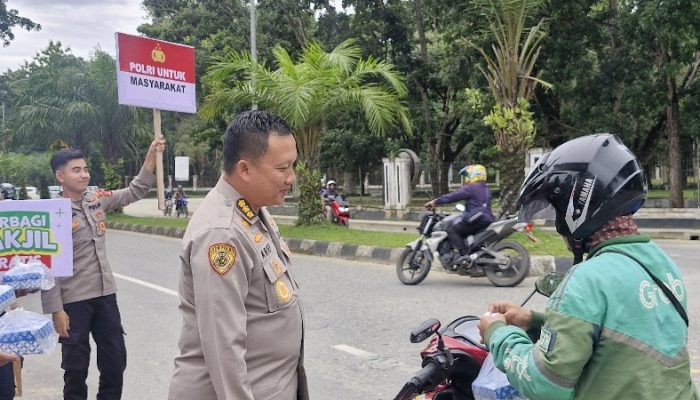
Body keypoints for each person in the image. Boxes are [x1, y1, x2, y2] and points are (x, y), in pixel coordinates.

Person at [478, 134, 698, 399]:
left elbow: (546, 383)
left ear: (578, 205)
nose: (559, 224)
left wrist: (497, 334)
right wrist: (533, 321)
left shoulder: (587, 279)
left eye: (557, 209)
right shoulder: (662, 263)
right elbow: (616, 334)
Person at [168, 110, 308, 400]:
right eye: (282, 168)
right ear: (245, 169)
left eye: (292, 165)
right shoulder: (222, 234)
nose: (291, 177)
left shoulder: (252, 210)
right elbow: (224, 349)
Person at [41, 137, 165, 400]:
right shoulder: (53, 214)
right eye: (77, 170)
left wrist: (150, 154)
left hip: (105, 295)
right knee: (75, 367)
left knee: (115, 360)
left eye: (85, 169)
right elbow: (47, 266)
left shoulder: (96, 200)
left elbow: (135, 191)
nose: (84, 174)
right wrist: (56, 310)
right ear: (60, 176)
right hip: (74, 302)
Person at [424, 164, 495, 262]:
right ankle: (472, 254)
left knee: (451, 229)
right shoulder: (486, 189)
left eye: (468, 175)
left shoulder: (472, 187)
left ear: (475, 175)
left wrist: (435, 201)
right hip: (487, 219)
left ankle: (464, 255)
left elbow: (453, 196)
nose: (467, 178)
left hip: (476, 218)